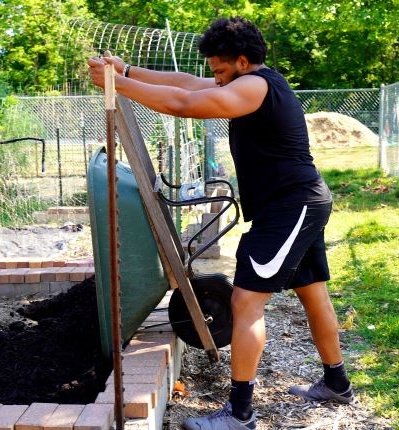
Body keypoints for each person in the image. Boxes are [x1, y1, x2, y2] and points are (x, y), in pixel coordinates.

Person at [88, 16, 354, 430]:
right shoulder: (247, 80)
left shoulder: (254, 87)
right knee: (312, 292)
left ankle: (240, 414)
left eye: (219, 70)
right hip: (295, 203)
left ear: (243, 61)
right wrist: (126, 71)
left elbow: (184, 104)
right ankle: (337, 383)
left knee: (246, 302)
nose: (213, 79)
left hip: (290, 207)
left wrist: (117, 85)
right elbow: (184, 83)